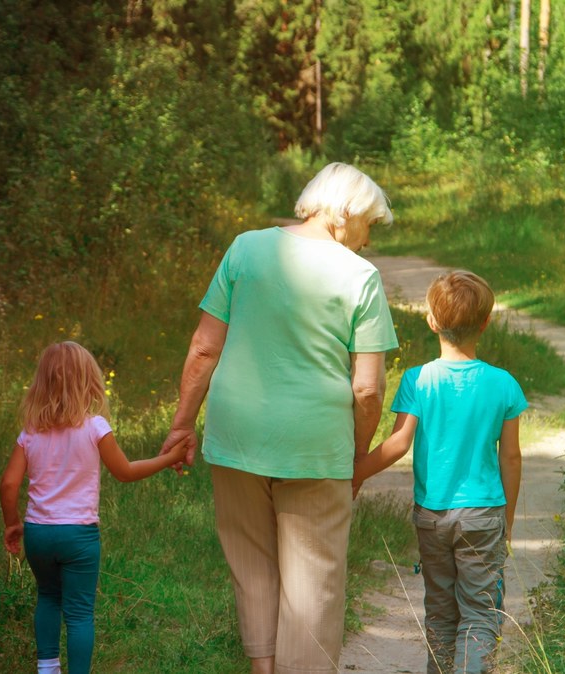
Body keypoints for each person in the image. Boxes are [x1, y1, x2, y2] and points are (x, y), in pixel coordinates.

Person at [161, 162, 399, 674]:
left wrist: (182, 425)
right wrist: (355, 454)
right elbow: (368, 387)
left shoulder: (245, 248)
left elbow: (204, 349)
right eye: (369, 225)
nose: (368, 240)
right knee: (313, 584)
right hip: (315, 448)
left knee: (253, 570)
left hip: (236, 436)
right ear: (344, 213)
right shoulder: (360, 277)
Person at [352, 270, 525, 674]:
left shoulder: (418, 379)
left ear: (431, 322)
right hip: (483, 515)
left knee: (441, 614)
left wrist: (354, 473)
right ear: (485, 323)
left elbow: (397, 445)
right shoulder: (503, 384)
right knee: (481, 615)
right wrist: (508, 522)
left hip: (431, 517)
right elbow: (511, 458)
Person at [0, 341, 187, 674]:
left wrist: (13, 523)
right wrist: (169, 458)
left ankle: (47, 667)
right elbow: (125, 472)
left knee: (48, 596)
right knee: (79, 612)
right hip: (79, 536)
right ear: (90, 383)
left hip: (39, 534)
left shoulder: (30, 432)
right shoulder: (95, 427)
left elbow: (9, 485)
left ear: (42, 384)